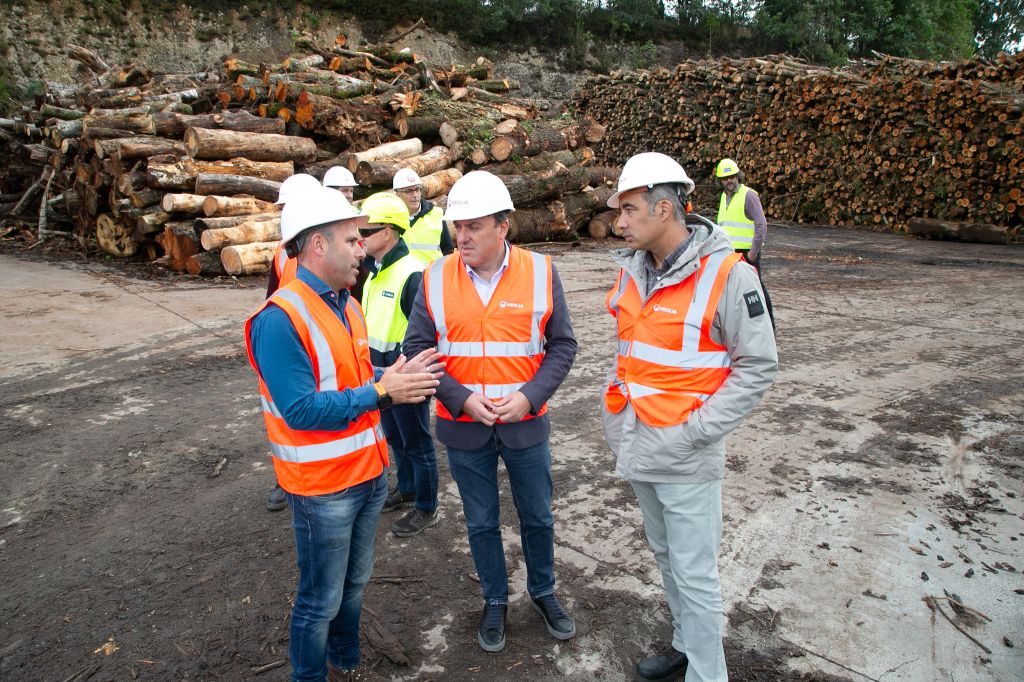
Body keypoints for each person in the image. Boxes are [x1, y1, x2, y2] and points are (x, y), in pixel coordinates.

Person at [245, 185, 443, 682]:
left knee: (354, 584)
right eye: (352, 239)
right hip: (322, 490)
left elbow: (355, 382)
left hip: (368, 475)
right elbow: (301, 410)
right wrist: (383, 392)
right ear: (317, 246)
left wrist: (394, 373)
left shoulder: (346, 305)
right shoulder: (280, 319)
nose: (362, 248)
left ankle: (346, 661)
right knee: (320, 598)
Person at [602, 152, 778, 682]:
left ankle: (708, 674)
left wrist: (696, 432)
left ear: (663, 209)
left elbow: (758, 367)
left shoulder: (729, 276)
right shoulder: (634, 272)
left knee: (696, 575)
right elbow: (632, 354)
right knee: (666, 558)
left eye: (629, 209)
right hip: (638, 443)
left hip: (685, 452)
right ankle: (685, 648)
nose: (620, 221)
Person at [403, 171, 578, 653]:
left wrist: (530, 396)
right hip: (465, 429)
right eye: (457, 226)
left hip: (525, 424)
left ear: (504, 227)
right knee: (480, 522)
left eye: (473, 226)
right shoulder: (434, 277)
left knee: (538, 516)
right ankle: (494, 600)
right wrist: (460, 398)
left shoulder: (541, 271)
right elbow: (418, 348)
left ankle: (543, 592)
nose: (461, 237)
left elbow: (562, 345)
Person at [358, 191, 441, 538]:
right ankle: (406, 488)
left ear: (389, 232)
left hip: (405, 377)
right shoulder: (375, 271)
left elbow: (426, 332)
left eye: (366, 231)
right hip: (381, 376)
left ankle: (426, 506)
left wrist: (412, 375)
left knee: (417, 440)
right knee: (395, 436)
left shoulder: (411, 275)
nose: (359, 238)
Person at [264, 173, 328, 512]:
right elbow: (272, 294)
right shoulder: (282, 250)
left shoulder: (330, 248)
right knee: (285, 412)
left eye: (288, 206)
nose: (283, 214)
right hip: (292, 338)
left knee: (320, 408)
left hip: (323, 340)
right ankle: (285, 476)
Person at [715, 158, 775, 330]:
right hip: (728, 253)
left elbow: (761, 224)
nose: (729, 181)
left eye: (732, 176)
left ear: (737, 176)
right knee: (732, 292)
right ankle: (742, 327)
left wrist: (753, 252)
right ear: (721, 180)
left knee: (756, 290)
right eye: (725, 178)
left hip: (747, 253)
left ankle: (768, 327)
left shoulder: (748, 195)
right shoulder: (723, 197)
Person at [392, 168, 455, 265]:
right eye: (409, 191)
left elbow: (448, 251)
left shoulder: (436, 215)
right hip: (404, 279)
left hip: (432, 278)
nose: (415, 195)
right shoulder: (391, 219)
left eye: (417, 189)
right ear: (398, 194)